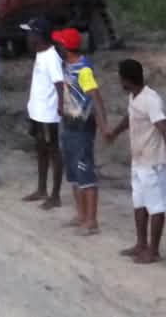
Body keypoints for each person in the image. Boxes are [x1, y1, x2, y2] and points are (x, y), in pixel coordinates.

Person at [107, 59, 166, 264]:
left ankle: (153, 251)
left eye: (120, 76)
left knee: (155, 207)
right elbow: (130, 118)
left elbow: (164, 128)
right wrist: (115, 132)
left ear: (126, 79)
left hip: (153, 161)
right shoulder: (134, 96)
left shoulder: (151, 99)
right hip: (139, 160)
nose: (119, 80)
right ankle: (141, 244)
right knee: (139, 203)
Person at [53, 28, 109, 234]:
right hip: (70, 123)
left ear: (66, 47)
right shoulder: (68, 65)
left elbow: (95, 97)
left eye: (60, 44)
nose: (58, 47)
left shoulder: (83, 70)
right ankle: (82, 215)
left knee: (84, 171)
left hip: (81, 126)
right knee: (74, 172)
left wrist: (103, 126)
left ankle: (91, 220)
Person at [21, 17, 65, 210]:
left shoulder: (51, 57)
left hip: (48, 115)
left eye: (30, 33)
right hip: (38, 112)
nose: (28, 37)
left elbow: (59, 84)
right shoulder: (41, 54)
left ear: (38, 36)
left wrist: (61, 107)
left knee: (53, 152)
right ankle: (41, 189)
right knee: (40, 150)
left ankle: (55, 195)